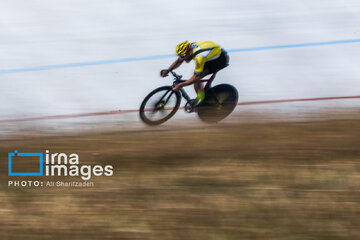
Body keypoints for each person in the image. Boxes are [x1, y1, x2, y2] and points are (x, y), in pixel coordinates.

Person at [160, 40, 229, 108]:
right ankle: (201, 95)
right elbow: (178, 61)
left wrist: (180, 85)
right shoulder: (188, 50)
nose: (182, 58)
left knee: (196, 76)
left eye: (183, 55)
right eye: (180, 55)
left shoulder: (199, 58)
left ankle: (201, 99)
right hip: (213, 53)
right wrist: (168, 70)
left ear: (189, 52)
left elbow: (196, 77)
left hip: (220, 60)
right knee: (196, 74)